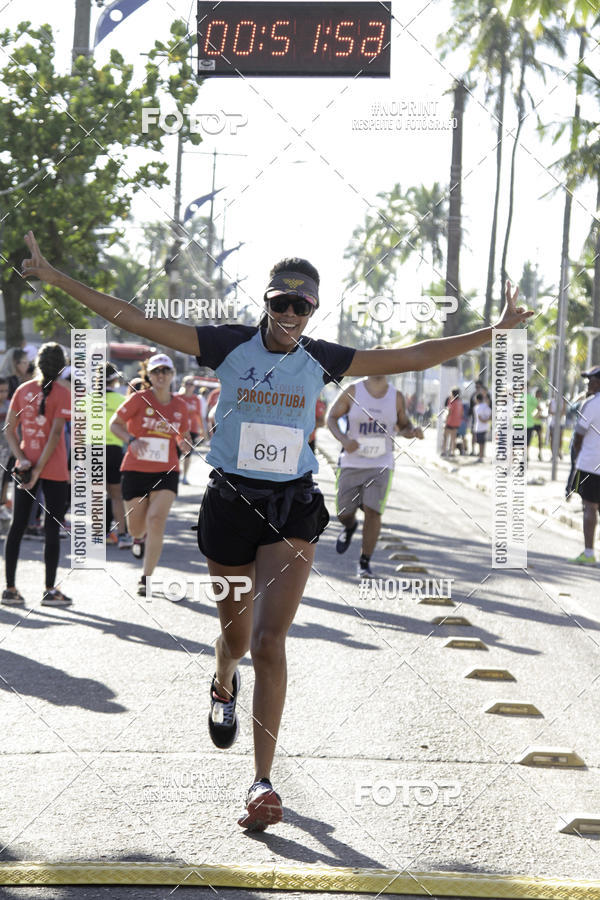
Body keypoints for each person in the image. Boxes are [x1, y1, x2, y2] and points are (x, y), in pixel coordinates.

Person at [20, 231, 531, 831]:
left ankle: (262, 782)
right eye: (279, 303)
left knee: (269, 643)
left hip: (292, 510)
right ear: (265, 303)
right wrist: (55, 279)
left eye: (302, 306)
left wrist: (497, 331)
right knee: (235, 642)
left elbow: (414, 356)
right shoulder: (227, 345)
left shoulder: (323, 358)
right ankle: (222, 678)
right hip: (231, 506)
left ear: (314, 308)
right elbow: (135, 317)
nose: (289, 314)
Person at [327, 363, 423, 577]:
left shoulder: (396, 397)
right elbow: (331, 418)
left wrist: (413, 431)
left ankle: (364, 561)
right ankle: (349, 526)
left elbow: (404, 425)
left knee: (373, 511)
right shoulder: (353, 391)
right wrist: (344, 439)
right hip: (352, 462)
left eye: (385, 360)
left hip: (382, 463)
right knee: (343, 513)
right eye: (376, 359)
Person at [108, 354, 192, 596]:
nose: (161, 376)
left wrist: (185, 444)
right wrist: (131, 440)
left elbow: (182, 437)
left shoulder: (180, 407)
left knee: (156, 520)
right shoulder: (138, 399)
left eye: (166, 371)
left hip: (167, 471)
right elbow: (115, 424)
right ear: (149, 376)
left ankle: (146, 578)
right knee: (136, 529)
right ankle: (137, 538)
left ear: (173, 374)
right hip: (134, 469)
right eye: (156, 372)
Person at [2, 343, 72, 607]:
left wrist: (23, 460)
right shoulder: (64, 394)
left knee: (18, 525)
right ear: (62, 366)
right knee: (52, 528)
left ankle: (9, 589)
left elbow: (9, 429)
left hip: (26, 465)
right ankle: (50, 590)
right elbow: (55, 436)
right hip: (52, 469)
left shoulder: (23, 390)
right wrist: (38, 469)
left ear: (37, 364)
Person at [570, 366, 600, 564]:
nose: (588, 383)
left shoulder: (590, 404)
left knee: (589, 507)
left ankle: (589, 553)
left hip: (590, 464)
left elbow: (578, 436)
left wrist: (575, 460)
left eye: (592, 379)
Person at [103, 363, 133, 549]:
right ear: (114, 380)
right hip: (113, 450)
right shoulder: (121, 400)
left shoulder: (85, 400)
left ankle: (99, 535)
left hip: (90, 450)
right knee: (116, 495)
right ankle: (122, 535)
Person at [178, 375, 206, 485]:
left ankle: (184, 476)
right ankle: (175, 474)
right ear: (183, 385)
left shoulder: (196, 399)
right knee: (177, 453)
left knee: (187, 454)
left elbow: (198, 415)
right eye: (187, 384)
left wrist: (202, 430)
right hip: (178, 430)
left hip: (192, 430)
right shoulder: (178, 397)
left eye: (191, 384)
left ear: (194, 387)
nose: (189, 386)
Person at [442, 387, 463, 457]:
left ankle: (444, 451)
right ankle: (452, 452)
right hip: (457, 422)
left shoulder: (452, 402)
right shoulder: (460, 402)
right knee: (453, 438)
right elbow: (461, 413)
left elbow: (449, 413)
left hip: (450, 422)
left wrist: (445, 421)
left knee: (445, 437)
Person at [473, 391, 491, 462]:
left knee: (480, 443)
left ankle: (480, 456)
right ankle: (482, 455)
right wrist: (486, 420)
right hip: (486, 427)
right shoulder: (486, 406)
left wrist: (484, 421)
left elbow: (479, 417)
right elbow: (490, 415)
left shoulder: (477, 407)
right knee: (483, 442)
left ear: (477, 399)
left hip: (479, 427)